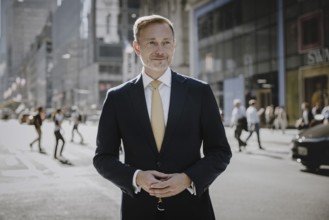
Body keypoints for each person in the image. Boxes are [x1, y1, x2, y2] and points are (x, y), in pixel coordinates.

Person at [93, 15, 232, 220]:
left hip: (192, 211)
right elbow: (103, 158)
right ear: (137, 47)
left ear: (174, 46)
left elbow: (220, 151)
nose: (160, 50)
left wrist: (188, 179)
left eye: (166, 43)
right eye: (152, 43)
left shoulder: (199, 92)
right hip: (138, 211)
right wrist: (136, 177)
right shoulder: (117, 98)